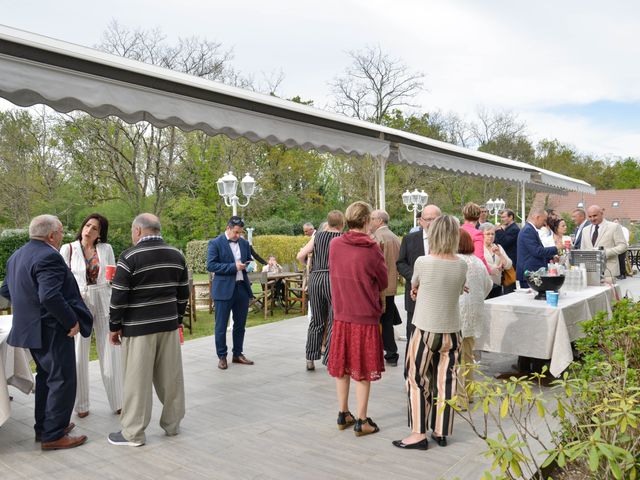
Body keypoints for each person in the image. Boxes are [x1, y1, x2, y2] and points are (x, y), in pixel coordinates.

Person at [1, 214, 92, 450]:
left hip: (32, 329)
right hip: (51, 329)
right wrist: (71, 321)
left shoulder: (16, 256)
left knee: (46, 378)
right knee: (62, 379)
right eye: (61, 232)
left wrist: (31, 308)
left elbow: (7, 290)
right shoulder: (49, 255)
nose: (62, 236)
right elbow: (49, 295)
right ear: (51, 235)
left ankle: (46, 426)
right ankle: (53, 435)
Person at [107, 213, 188, 447]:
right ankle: (173, 425)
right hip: (169, 326)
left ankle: (133, 433)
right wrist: (177, 319)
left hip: (138, 329)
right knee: (171, 378)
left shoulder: (129, 257)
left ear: (138, 231)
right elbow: (183, 293)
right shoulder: (177, 255)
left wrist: (115, 326)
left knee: (136, 381)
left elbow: (118, 296)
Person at [393, 215, 467, 451]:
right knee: (446, 382)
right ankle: (441, 431)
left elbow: (416, 286)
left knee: (416, 379)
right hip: (453, 331)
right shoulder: (462, 263)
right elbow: (453, 290)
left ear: (433, 235)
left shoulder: (423, 262)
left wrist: (417, 292)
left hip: (426, 329)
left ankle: (417, 433)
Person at [327, 201, 387, 437]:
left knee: (342, 366)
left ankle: (343, 413)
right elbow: (383, 280)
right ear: (365, 221)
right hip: (364, 313)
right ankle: (362, 420)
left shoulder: (335, 244)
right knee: (362, 367)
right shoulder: (372, 248)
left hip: (341, 312)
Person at [60, 213, 123, 418]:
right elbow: (63, 279)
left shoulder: (106, 249)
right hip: (80, 301)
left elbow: (112, 276)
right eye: (87, 225)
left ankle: (118, 401)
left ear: (100, 233)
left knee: (110, 353)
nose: (89, 230)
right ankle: (82, 405)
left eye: (95, 228)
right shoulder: (68, 249)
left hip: (104, 297)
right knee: (79, 354)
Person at [297, 210, 344, 371]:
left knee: (316, 320)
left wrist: (310, 265)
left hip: (316, 278)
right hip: (334, 279)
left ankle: (310, 357)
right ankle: (329, 358)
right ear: (341, 223)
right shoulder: (342, 238)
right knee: (332, 320)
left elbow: (300, 256)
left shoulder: (317, 237)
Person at [207, 216, 255, 370]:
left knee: (240, 325)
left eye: (240, 233)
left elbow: (248, 260)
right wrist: (233, 267)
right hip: (223, 290)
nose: (238, 236)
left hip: (241, 288)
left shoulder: (244, 243)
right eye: (236, 232)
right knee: (221, 325)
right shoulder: (215, 243)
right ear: (228, 228)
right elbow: (211, 265)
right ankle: (222, 356)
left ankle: (237, 354)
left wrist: (249, 265)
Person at [456, 228, 492, 407]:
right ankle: (469, 393)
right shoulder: (477, 261)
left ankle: (460, 397)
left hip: (458, 313)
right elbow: (488, 285)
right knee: (467, 356)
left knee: (457, 358)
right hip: (474, 313)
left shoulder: (455, 262)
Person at [396, 205, 441, 345]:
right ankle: (411, 367)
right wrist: (417, 278)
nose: (431, 223)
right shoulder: (409, 239)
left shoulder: (449, 241)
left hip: (439, 298)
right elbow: (401, 263)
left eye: (435, 219)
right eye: (428, 219)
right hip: (415, 296)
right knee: (414, 339)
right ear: (421, 221)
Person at [369, 209, 402, 367]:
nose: (369, 221)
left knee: (380, 321)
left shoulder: (377, 238)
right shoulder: (395, 237)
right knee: (387, 320)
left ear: (379, 221)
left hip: (379, 286)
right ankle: (391, 354)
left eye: (372, 218)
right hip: (391, 285)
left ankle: (388, 353)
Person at [516, 208, 561, 288]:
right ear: (537, 217)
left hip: (533, 273)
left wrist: (551, 258)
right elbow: (537, 251)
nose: (544, 223)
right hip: (530, 273)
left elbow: (535, 251)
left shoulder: (530, 229)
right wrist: (556, 248)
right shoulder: (528, 230)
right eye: (544, 220)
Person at [580, 206, 627, 280]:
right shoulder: (585, 230)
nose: (592, 219)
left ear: (601, 213)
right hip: (590, 272)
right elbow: (582, 249)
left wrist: (605, 253)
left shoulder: (614, 227)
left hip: (609, 272)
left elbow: (623, 246)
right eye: (590, 216)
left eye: (595, 215)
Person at [480, 222, 512, 298]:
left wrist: (500, 255)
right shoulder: (478, 248)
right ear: (481, 235)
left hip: (497, 286)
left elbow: (509, 265)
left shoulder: (498, 247)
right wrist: (495, 268)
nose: (491, 236)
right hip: (483, 287)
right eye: (488, 234)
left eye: (493, 234)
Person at [461, 203, 490, 272]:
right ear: (478, 216)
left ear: (464, 216)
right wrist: (488, 271)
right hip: (470, 270)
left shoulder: (456, 231)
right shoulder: (477, 234)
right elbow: (479, 257)